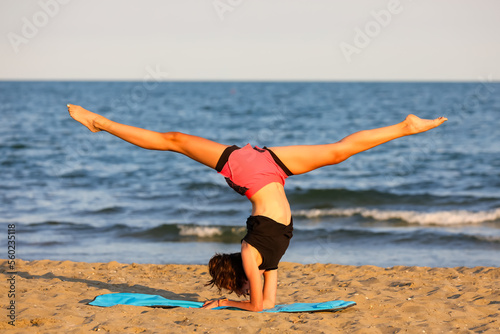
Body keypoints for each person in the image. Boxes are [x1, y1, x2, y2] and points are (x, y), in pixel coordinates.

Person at [67, 104, 447, 312]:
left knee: (175, 141)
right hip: (268, 170)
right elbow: (265, 307)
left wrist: (226, 303)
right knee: (336, 151)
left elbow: (261, 305)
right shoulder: (260, 258)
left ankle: (99, 122)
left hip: (259, 178)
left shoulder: (258, 256)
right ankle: (405, 126)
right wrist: (233, 304)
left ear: (242, 272)